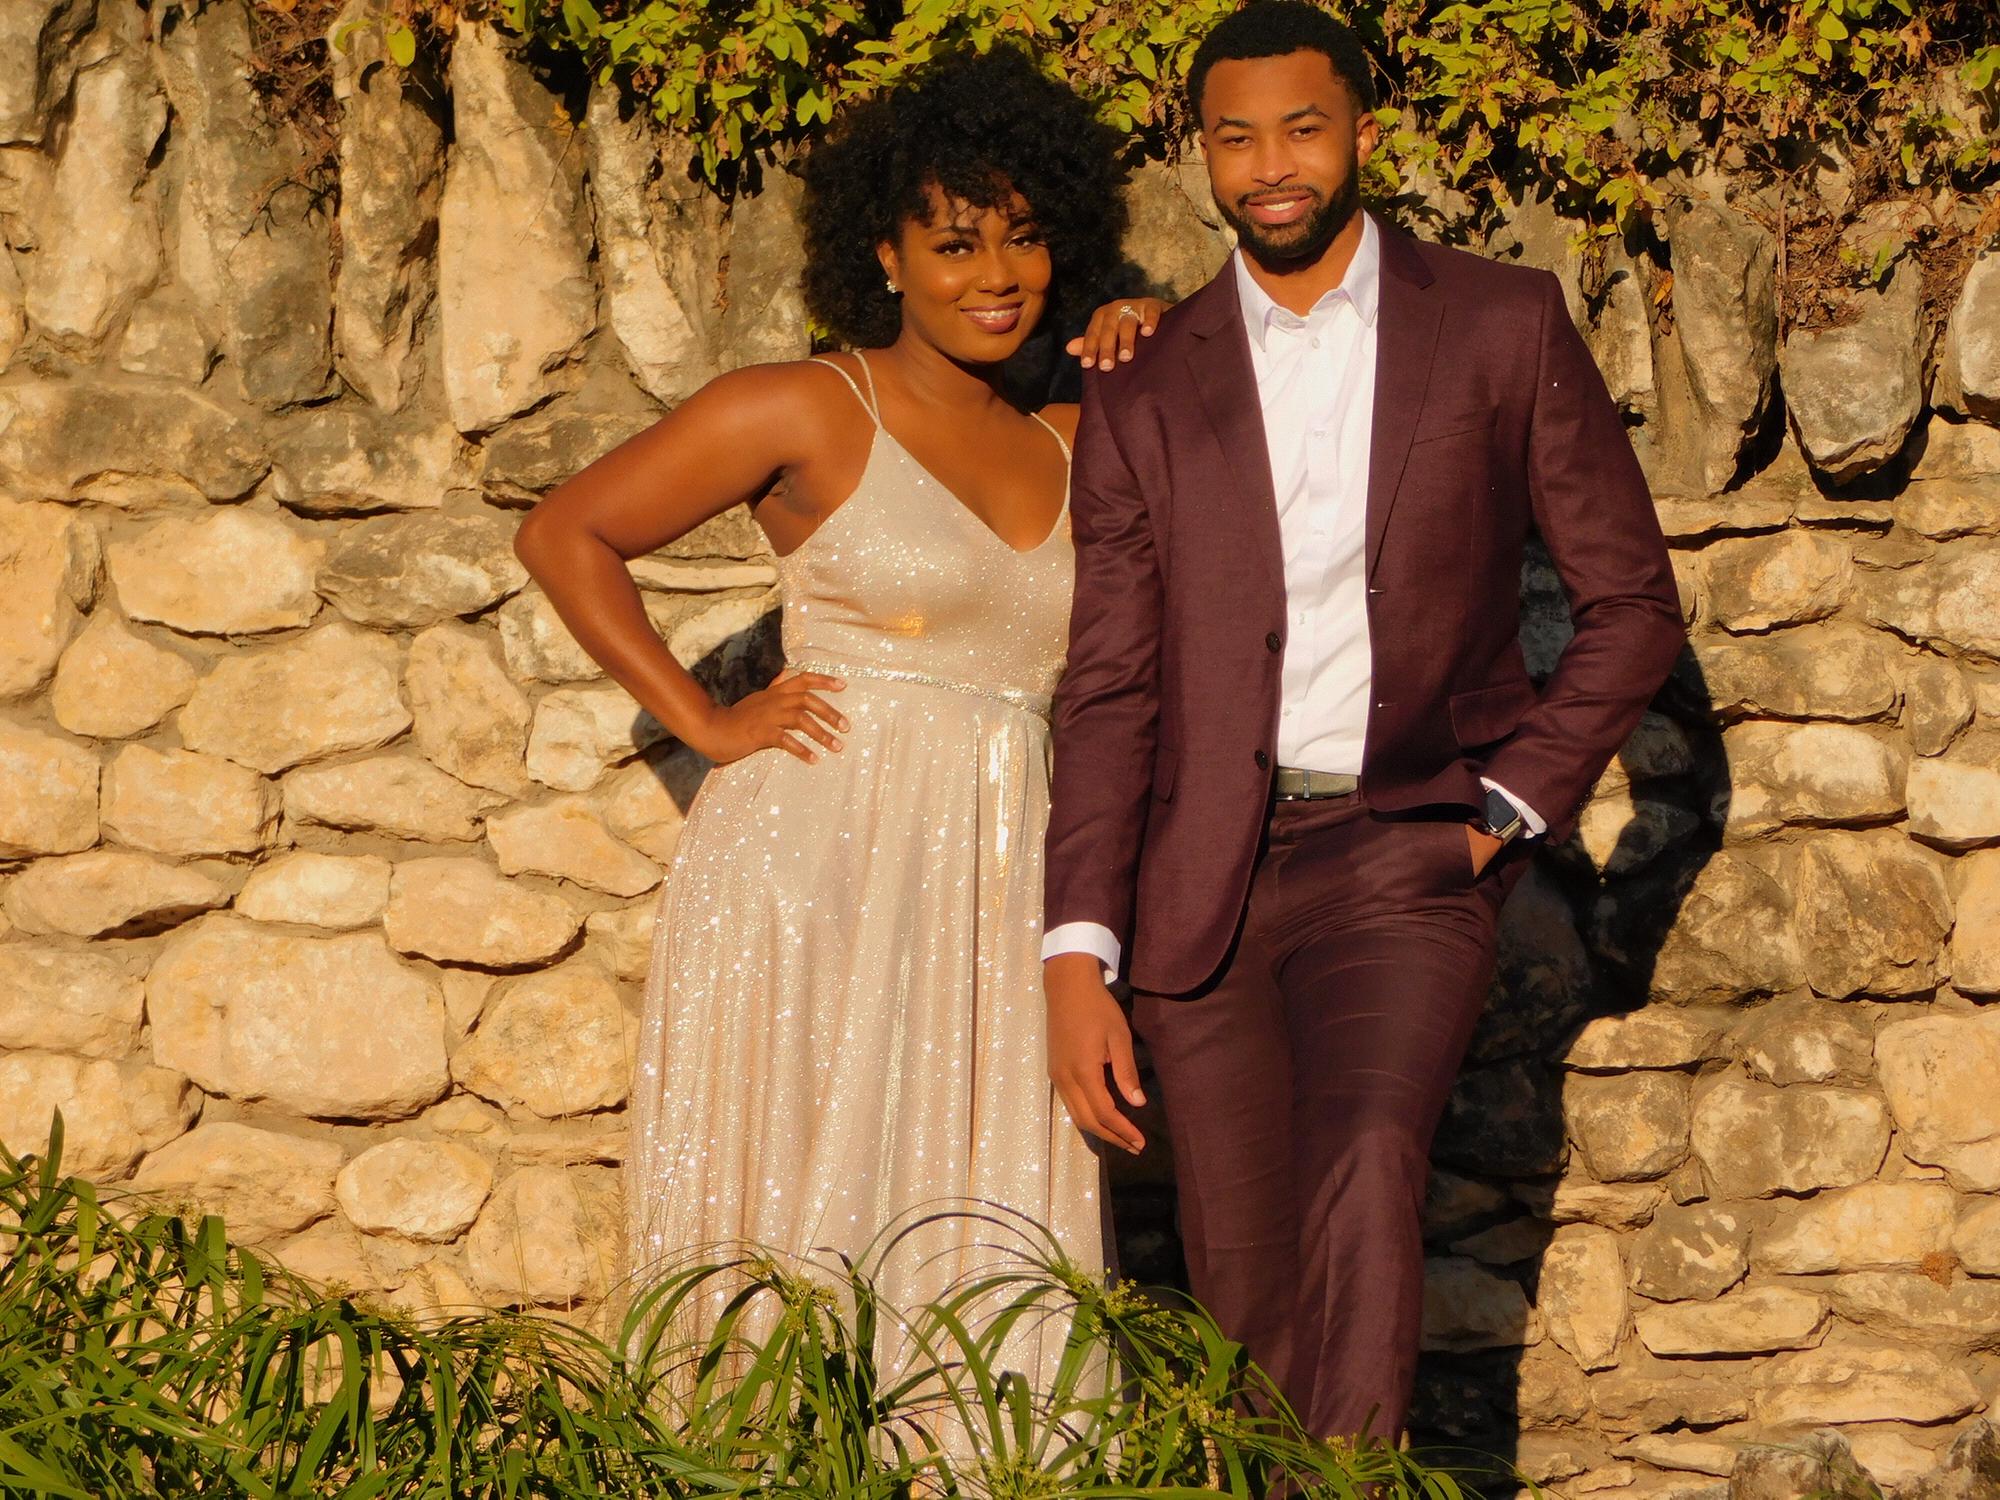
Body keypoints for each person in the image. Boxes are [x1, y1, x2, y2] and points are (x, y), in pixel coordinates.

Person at [1040, 0, 1685, 1447]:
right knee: (1244, 1277)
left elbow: (1633, 603)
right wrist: (1077, 949)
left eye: (1303, 129)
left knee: (1371, 1165)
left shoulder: (1502, 323)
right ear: (1202, 156)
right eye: (1236, 138)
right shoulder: (1144, 380)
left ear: (1363, 134)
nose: (1271, 166)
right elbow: (1110, 685)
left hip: (1405, 855)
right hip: (1199, 887)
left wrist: (1505, 810)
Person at [512, 46, 1162, 1387]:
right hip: (817, 862)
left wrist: (1155, 321)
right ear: (886, 254)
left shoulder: (1073, 431)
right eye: (956, 244)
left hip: (1003, 877)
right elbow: (566, 532)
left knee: (986, 1199)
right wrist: (704, 720)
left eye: (1026, 238)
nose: (996, 274)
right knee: (801, 1197)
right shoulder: (807, 405)